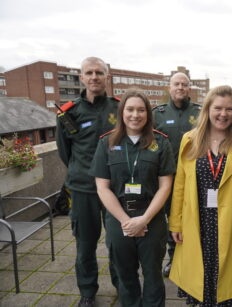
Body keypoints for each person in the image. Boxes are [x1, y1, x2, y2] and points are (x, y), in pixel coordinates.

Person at [168, 85, 232, 306]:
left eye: (229, 109)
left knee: (227, 285)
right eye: (218, 108)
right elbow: (180, 186)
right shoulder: (190, 140)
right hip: (197, 222)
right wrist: (175, 223)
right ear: (208, 109)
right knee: (198, 280)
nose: (223, 114)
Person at [90, 89, 175, 306]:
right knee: (125, 276)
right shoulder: (106, 143)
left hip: (152, 219)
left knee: (153, 276)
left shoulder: (161, 143)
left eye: (140, 110)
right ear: (122, 112)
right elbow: (102, 187)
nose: (135, 115)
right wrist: (126, 222)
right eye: (130, 109)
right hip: (119, 221)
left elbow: (165, 186)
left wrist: (143, 220)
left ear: (148, 113)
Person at [56, 57, 119, 307]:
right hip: (84, 189)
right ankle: (87, 292)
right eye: (89, 73)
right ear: (81, 77)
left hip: (116, 188)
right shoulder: (69, 112)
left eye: (99, 72)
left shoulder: (120, 108)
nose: (94, 77)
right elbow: (65, 152)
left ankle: (123, 286)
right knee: (85, 245)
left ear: (107, 77)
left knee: (118, 243)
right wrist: (85, 172)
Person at [153, 72, 201, 277]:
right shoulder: (158, 114)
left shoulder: (201, 112)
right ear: (169, 87)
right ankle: (173, 259)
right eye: (176, 84)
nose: (180, 87)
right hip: (167, 177)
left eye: (184, 84)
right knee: (171, 218)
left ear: (189, 88)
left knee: (196, 218)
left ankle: (195, 259)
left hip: (196, 177)